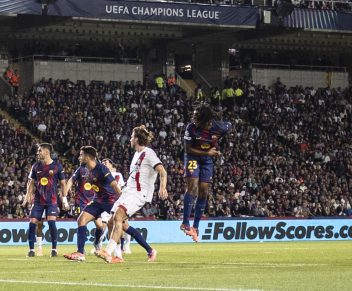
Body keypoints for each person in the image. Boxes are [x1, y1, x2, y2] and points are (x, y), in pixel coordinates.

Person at [97, 125, 166, 264]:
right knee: (112, 222)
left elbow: (162, 171)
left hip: (139, 194)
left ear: (136, 139)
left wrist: (162, 188)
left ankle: (108, 252)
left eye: (131, 137)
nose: (129, 139)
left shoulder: (149, 153)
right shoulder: (136, 155)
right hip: (128, 192)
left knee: (118, 217)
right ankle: (125, 255)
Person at [60, 145, 121, 262]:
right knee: (81, 220)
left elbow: (113, 184)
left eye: (81, 155)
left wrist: (122, 199)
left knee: (123, 226)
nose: (79, 157)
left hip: (110, 200)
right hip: (97, 200)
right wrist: (65, 195)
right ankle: (80, 252)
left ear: (87, 157)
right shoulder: (82, 168)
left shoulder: (101, 168)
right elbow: (71, 180)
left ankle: (148, 250)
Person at [181, 103, 231, 241]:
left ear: (206, 120)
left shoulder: (220, 127)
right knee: (192, 186)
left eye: (197, 117)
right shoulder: (191, 128)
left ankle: (195, 227)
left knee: (204, 191)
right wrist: (208, 151)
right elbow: (187, 149)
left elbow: (228, 128)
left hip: (207, 160)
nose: (193, 118)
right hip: (192, 156)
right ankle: (185, 223)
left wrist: (219, 148)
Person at [22, 142, 64, 257]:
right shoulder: (36, 166)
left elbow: (63, 183)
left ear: (46, 152)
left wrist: (64, 199)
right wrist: (27, 196)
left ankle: (54, 249)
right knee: (32, 224)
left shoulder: (57, 166)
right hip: (38, 200)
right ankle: (31, 250)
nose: (38, 152)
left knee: (51, 223)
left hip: (52, 200)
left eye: (40, 150)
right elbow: (31, 183)